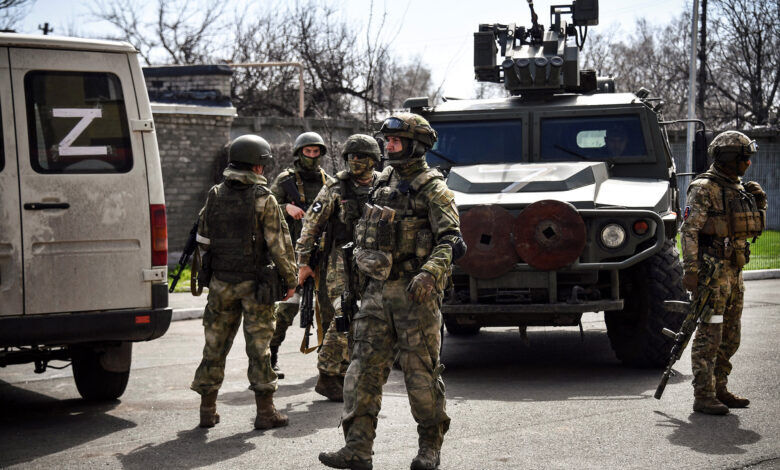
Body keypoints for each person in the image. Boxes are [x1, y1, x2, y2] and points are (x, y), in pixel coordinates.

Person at [319, 113, 466, 470]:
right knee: (361, 371)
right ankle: (357, 449)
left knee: (421, 376)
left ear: (416, 145)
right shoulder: (381, 183)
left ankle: (429, 448)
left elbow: (452, 241)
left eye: (396, 141)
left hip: (415, 296)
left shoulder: (433, 188)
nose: (389, 146)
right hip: (375, 294)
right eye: (387, 141)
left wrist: (431, 272)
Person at [190, 134, 297, 429]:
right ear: (259, 167)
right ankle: (265, 413)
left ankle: (207, 410)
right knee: (259, 348)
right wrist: (290, 278)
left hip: (221, 283)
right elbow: (280, 245)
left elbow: (203, 236)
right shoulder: (264, 199)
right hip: (256, 286)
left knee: (214, 345)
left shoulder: (215, 193)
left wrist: (205, 275)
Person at [681, 130, 766, 415]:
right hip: (712, 273)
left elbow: (746, 229)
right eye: (744, 159)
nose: (748, 164)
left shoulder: (738, 187)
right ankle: (703, 395)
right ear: (729, 159)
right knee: (710, 333)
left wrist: (758, 206)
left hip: (734, 271)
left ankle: (720, 387)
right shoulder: (704, 188)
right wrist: (690, 270)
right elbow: (689, 230)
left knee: (731, 334)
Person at [296, 134, 382, 402]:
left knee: (367, 318)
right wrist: (303, 263)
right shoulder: (334, 188)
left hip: (372, 262)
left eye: (361, 157)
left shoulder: (383, 184)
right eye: (351, 157)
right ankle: (326, 374)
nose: (355, 161)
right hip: (338, 261)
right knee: (343, 315)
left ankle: (347, 371)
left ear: (373, 160)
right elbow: (311, 225)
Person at [269, 131, 332, 378]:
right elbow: (267, 205)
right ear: (299, 153)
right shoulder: (286, 180)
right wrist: (287, 207)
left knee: (326, 310)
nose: (312, 156)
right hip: (292, 256)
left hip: (322, 255)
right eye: (308, 151)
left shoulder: (328, 181)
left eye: (316, 152)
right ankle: (270, 357)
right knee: (286, 310)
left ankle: (327, 361)